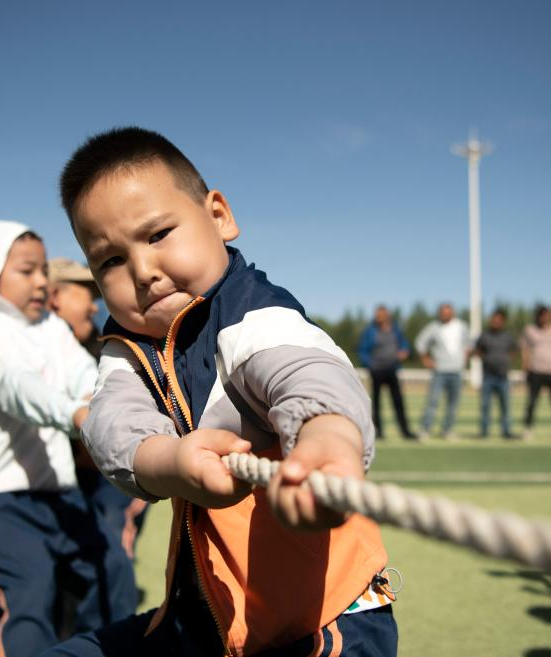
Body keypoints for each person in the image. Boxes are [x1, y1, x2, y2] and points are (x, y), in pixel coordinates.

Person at [45, 127, 396, 657]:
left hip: (324, 621)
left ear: (218, 216)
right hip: (206, 615)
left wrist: (328, 440)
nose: (142, 272)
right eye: (110, 261)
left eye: (158, 234)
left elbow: (304, 371)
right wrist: (171, 460)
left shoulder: (254, 316)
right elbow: (113, 424)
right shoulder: (127, 347)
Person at [0, 221, 135, 657]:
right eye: (26, 271)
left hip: (57, 495)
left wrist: (107, 400)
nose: (41, 281)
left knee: (112, 567)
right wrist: (76, 413)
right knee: (29, 593)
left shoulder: (51, 327)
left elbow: (85, 373)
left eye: (44, 270)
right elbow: (20, 389)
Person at [48, 256, 149, 562]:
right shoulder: (33, 348)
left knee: (109, 551)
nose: (95, 307)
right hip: (57, 484)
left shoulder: (103, 345)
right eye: (86, 295)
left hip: (105, 479)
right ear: (54, 296)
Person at [357, 305, 415, 439]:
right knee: (376, 402)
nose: (380, 317)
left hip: (392, 369)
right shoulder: (370, 331)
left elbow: (403, 343)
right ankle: (378, 432)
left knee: (398, 401)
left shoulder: (395, 329)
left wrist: (404, 350)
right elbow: (362, 350)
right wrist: (369, 364)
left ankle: (405, 431)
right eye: (378, 315)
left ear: (387, 315)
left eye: (382, 314)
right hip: (376, 370)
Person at [415, 302, 470, 439]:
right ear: (440, 314)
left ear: (453, 313)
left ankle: (448, 430)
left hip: (457, 371)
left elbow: (469, 344)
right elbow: (420, 342)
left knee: (453, 403)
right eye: (443, 313)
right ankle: (425, 429)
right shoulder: (434, 327)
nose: (445, 315)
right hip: (440, 370)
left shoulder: (461, 326)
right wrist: (426, 359)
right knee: (433, 401)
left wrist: (464, 358)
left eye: (448, 313)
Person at [520, 305, 551, 440]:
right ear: (538, 316)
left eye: (547, 315)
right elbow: (524, 349)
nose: (545, 318)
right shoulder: (529, 330)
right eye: (542, 315)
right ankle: (528, 428)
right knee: (532, 401)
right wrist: (525, 367)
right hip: (535, 370)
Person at [474, 308, 517, 439]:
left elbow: (514, 349)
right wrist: (486, 359)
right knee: (485, 405)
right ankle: (484, 431)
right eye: (494, 319)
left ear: (503, 321)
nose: (496, 322)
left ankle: (506, 431)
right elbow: (478, 350)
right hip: (488, 376)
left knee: (505, 406)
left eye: (499, 319)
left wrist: (506, 360)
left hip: (503, 376)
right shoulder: (484, 335)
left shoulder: (508, 336)